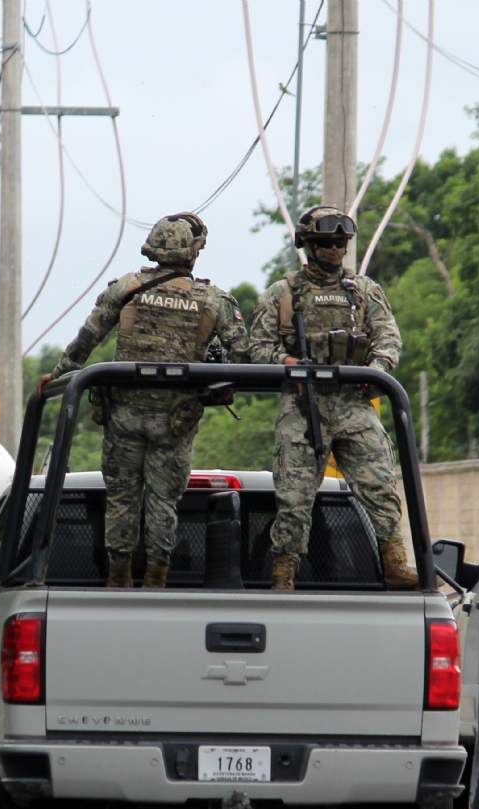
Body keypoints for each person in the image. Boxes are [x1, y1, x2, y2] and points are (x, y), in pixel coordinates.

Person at [38, 213, 249, 589]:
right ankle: (156, 580)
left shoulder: (127, 287)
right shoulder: (213, 300)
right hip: (174, 420)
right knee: (163, 501)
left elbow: (89, 336)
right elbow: (245, 356)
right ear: (192, 253)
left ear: (153, 249)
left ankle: (118, 577)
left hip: (124, 415)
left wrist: (59, 372)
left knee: (121, 497)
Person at [249, 205, 414, 591]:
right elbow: (258, 348)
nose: (335, 247)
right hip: (303, 404)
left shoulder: (364, 291)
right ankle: (283, 575)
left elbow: (388, 337)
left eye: (341, 240)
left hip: (353, 403)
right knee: (293, 497)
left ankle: (396, 564)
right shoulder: (283, 293)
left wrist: (375, 370)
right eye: (326, 241)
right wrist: (288, 362)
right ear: (308, 244)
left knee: (381, 486)